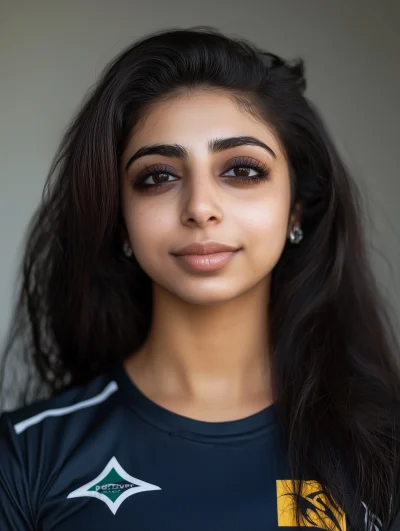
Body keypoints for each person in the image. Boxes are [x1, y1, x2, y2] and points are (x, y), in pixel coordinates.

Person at [0, 26, 399, 531]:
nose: (200, 209)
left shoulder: (383, 451)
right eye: (158, 176)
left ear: (296, 209)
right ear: (119, 218)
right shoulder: (25, 456)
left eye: (242, 170)